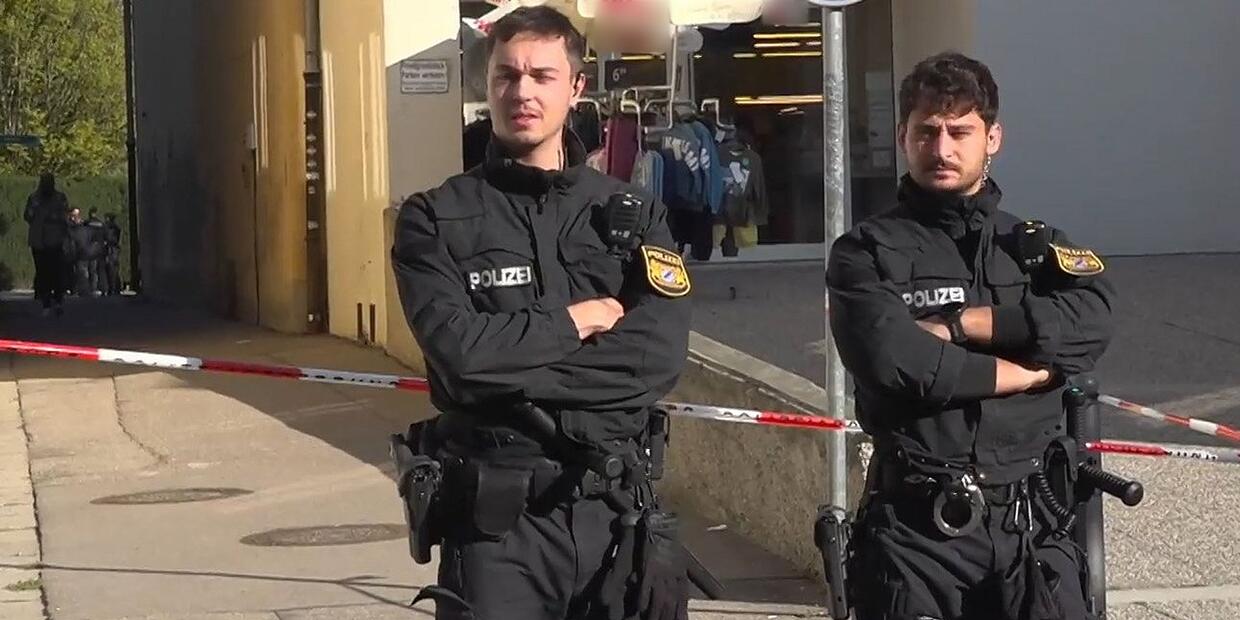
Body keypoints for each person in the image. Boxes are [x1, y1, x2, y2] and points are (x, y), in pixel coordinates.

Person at [392, 7, 693, 620]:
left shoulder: (635, 213)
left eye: (542, 75)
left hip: (617, 518)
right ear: (487, 84)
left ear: (576, 87)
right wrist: (576, 323)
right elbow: (459, 357)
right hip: (497, 533)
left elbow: (655, 359)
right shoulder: (435, 218)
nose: (522, 92)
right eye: (506, 75)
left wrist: (504, 364)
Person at [827, 52, 1115, 620]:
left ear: (993, 138)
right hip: (917, 535)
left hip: (1030, 525)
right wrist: (1024, 373)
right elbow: (895, 360)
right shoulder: (865, 251)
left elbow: (1093, 322)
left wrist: (968, 324)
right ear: (903, 137)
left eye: (960, 132)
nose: (942, 149)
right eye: (926, 131)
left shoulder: (1034, 248)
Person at [22, 172, 71, 316]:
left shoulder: (59, 198)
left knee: (56, 272)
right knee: (43, 272)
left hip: (55, 240)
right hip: (39, 241)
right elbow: (27, 216)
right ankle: (47, 302)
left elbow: (64, 217)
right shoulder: (34, 199)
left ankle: (57, 300)